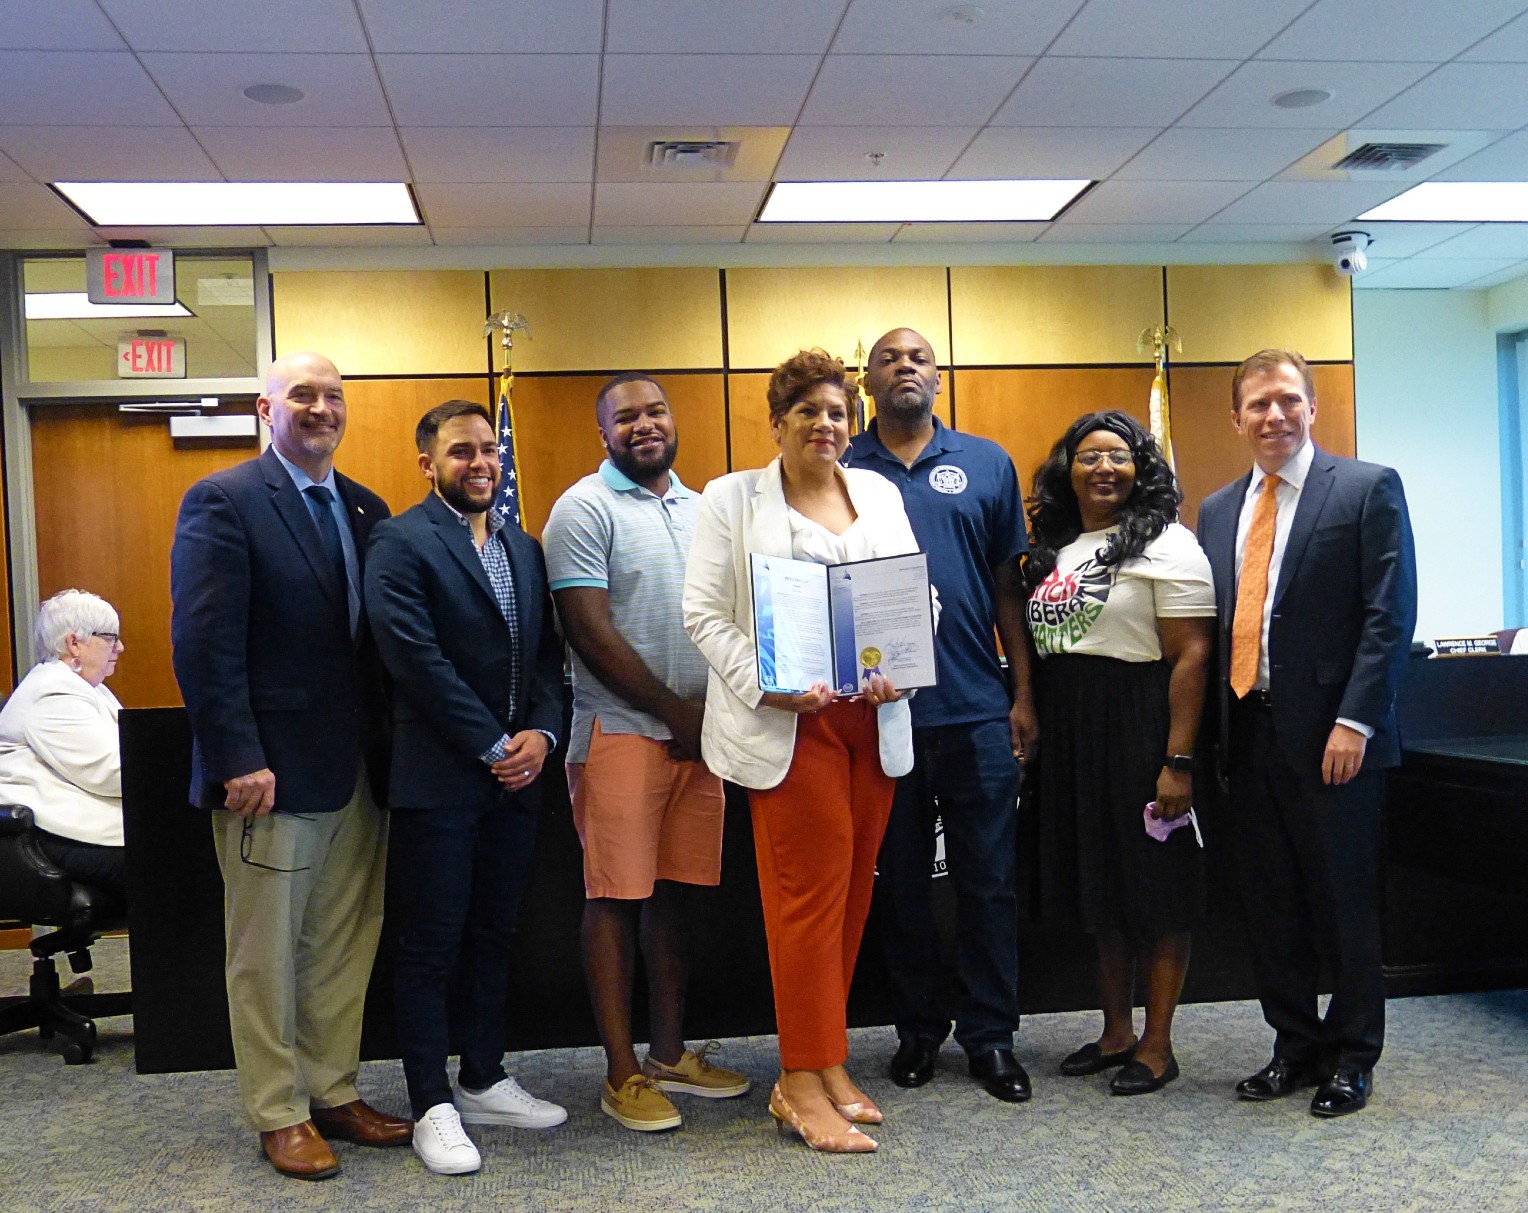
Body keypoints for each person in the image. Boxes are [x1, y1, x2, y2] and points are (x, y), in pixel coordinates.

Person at [170, 351, 408, 1181]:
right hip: (268, 777)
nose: (320, 408)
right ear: (264, 408)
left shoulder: (365, 506)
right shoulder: (225, 501)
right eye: (301, 395)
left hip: (358, 773)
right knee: (265, 953)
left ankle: (332, 1088)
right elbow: (203, 643)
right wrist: (238, 755)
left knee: (344, 941)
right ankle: (278, 1109)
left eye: (334, 396)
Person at [683, 349, 918, 1154]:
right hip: (790, 727)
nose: (826, 425)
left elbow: (914, 594)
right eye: (809, 412)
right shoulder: (731, 499)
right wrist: (767, 684)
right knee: (806, 904)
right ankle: (798, 1079)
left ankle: (829, 1060)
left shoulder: (880, 492)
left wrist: (901, 668)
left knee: (852, 894)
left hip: (869, 720)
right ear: (777, 421)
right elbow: (704, 615)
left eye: (838, 413)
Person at [1197, 349, 1417, 1118]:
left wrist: (1355, 719)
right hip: (1248, 734)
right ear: (1237, 418)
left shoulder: (1365, 489)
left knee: (1343, 904)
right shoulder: (1219, 509)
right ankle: (1294, 1044)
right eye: (1258, 404)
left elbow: (1390, 616)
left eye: (1289, 400)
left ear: (1312, 408)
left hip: (1336, 740)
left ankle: (1353, 1056)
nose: (1274, 416)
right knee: (1272, 904)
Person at [364, 400, 569, 1175]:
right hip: (440, 779)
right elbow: (412, 658)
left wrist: (541, 736)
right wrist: (492, 746)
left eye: (489, 450)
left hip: (516, 780)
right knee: (428, 945)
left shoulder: (523, 543)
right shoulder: (400, 540)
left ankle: (483, 1075)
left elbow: (549, 657)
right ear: (428, 464)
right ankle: (431, 1103)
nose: (481, 462)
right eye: (462, 452)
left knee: (493, 935)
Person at [544, 373, 749, 1134]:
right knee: (615, 897)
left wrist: (711, 715)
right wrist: (675, 712)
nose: (644, 424)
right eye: (625, 416)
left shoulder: (706, 509)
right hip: (624, 731)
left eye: (655, 410)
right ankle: (621, 1073)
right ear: (604, 433)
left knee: (677, 894)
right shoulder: (582, 508)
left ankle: (669, 1053)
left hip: (703, 735)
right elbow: (588, 631)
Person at [846, 327, 1037, 1103]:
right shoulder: (841, 464)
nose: (906, 368)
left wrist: (1023, 694)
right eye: (890, 359)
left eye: (919, 358)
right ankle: (918, 1030)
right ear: (868, 380)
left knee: (989, 881)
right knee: (901, 888)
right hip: (879, 717)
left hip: (976, 711)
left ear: (938, 375)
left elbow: (1006, 589)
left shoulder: (985, 462)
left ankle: (991, 1036)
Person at [1023, 412, 1215, 1095]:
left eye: (1119, 456)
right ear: (1066, 468)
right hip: (1073, 728)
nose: (1104, 467)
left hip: (1141, 724)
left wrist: (1179, 761)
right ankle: (1115, 1031)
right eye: (1089, 456)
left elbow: (1191, 654)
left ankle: (1158, 1044)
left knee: (1155, 892)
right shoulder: (1058, 544)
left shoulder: (1170, 543)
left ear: (1142, 468)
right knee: (1099, 889)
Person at [0, 589, 128, 901]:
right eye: (111, 637)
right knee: (176, 866)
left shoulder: (91, 690)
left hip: (78, 828)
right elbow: (110, 773)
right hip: (51, 835)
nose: (120, 647)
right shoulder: (53, 692)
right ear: (74, 643)